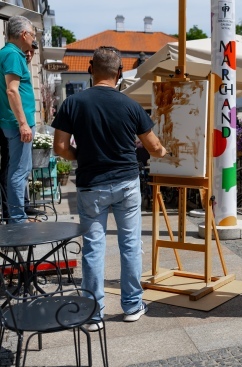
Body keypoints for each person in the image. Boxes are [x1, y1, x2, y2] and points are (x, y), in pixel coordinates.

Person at [52, 46, 167, 331]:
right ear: (119, 73)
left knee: (93, 248)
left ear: (90, 69)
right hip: (126, 182)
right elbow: (153, 147)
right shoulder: (130, 105)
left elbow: (60, 148)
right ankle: (131, 306)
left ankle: (93, 314)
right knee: (130, 246)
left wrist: (80, 158)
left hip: (91, 185)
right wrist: (163, 151)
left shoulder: (73, 103)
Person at [0, 15, 36, 223]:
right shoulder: (12, 55)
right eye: (32, 34)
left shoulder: (10, 54)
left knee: (19, 170)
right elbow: (12, 91)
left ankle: (17, 217)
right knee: (19, 172)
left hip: (12, 122)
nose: (33, 39)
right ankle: (17, 220)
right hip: (17, 123)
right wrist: (23, 123)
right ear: (24, 34)